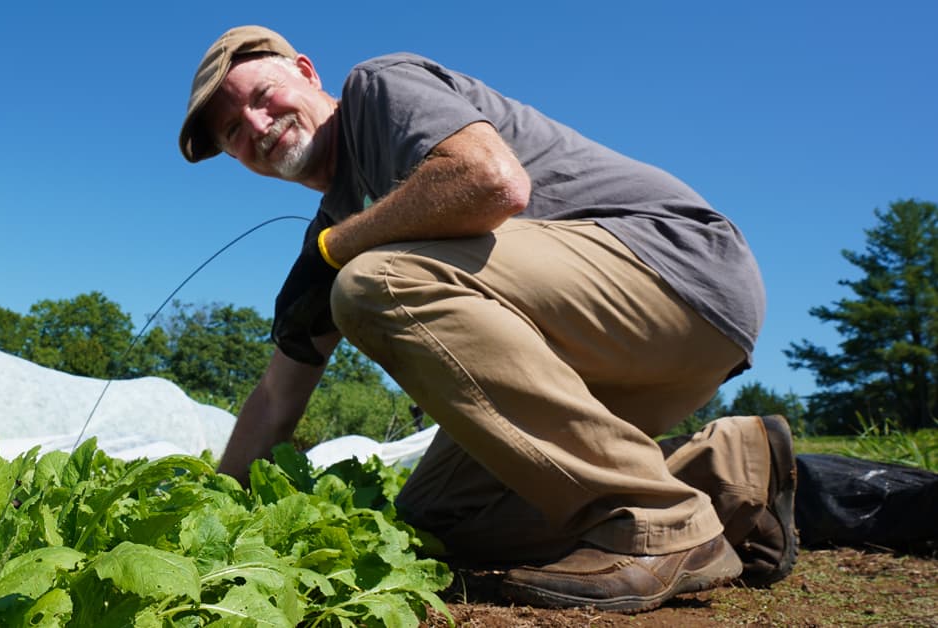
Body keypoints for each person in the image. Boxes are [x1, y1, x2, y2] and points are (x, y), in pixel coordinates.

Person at [178, 25, 796, 613]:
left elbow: (490, 181)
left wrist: (338, 252)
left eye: (263, 96)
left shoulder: (378, 88)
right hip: (604, 360)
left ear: (307, 73)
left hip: (678, 273)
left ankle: (658, 526)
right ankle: (728, 470)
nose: (257, 125)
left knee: (375, 281)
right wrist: (213, 517)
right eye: (233, 129)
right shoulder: (331, 237)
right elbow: (275, 400)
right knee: (442, 520)